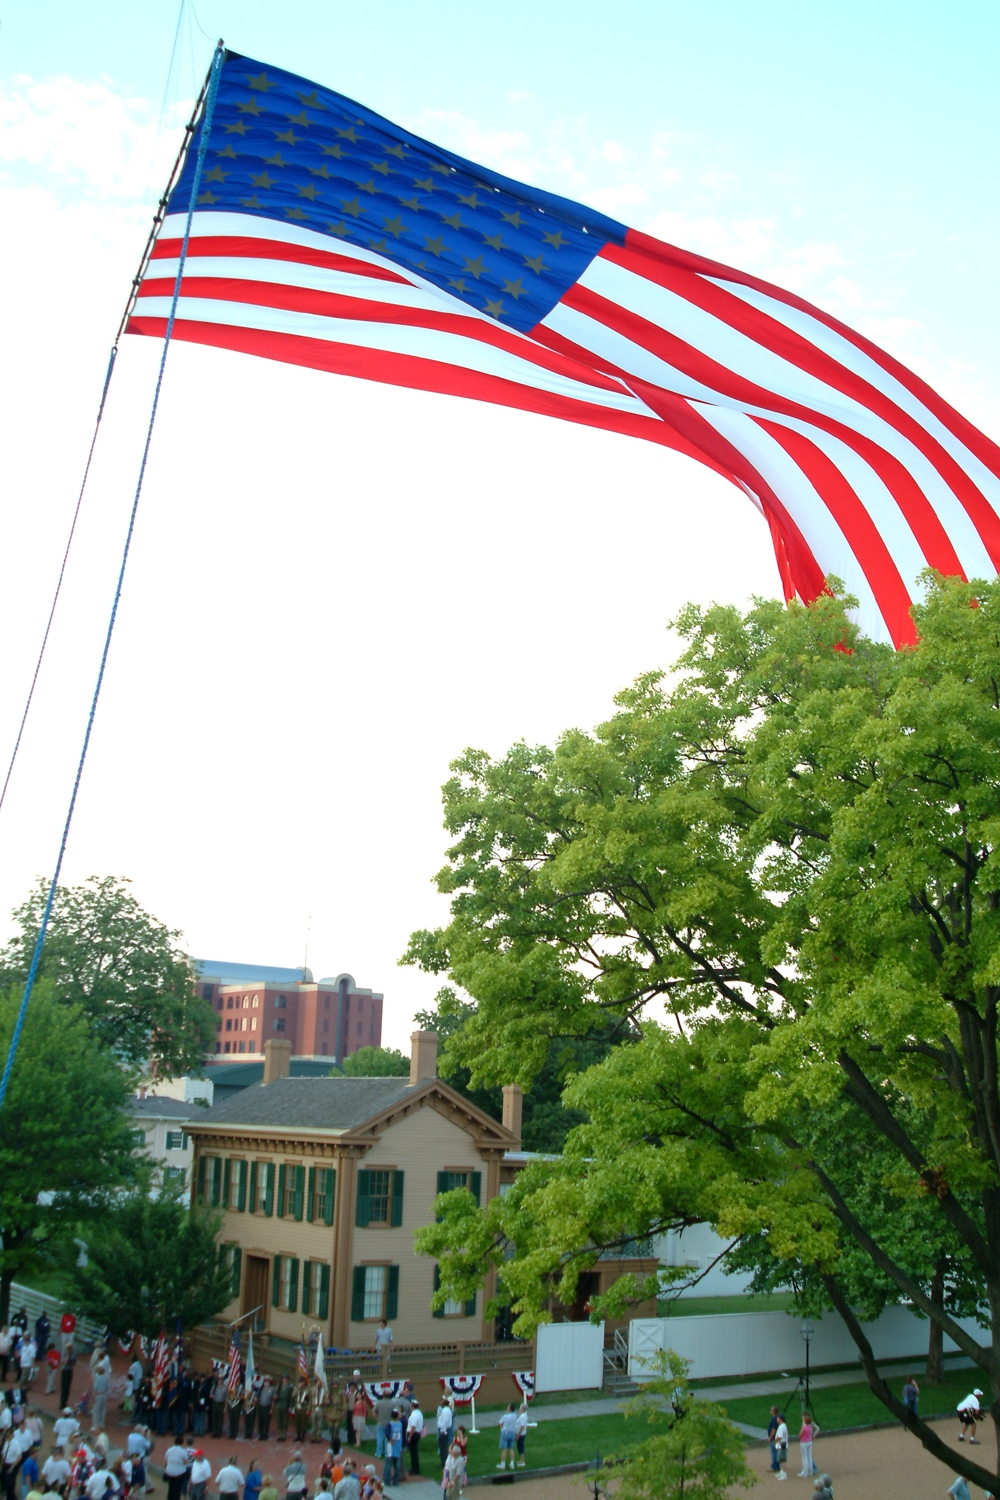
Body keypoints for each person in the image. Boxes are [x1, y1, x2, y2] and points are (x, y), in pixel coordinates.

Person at [383, 1414, 403, 1490]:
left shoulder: (389, 1424)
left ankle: (387, 1482)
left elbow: (387, 1434)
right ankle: (395, 1481)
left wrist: (390, 1439)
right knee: (397, 1466)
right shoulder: (400, 1424)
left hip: (390, 1448)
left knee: (388, 1465)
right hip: (398, 1447)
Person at [496, 1406, 518, 1473]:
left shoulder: (505, 1416)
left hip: (505, 1432)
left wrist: (502, 1428)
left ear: (509, 1408)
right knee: (511, 1448)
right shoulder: (515, 1416)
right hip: (512, 1432)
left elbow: (499, 1423)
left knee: (504, 1449)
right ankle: (512, 1464)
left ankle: (503, 1464)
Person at [405, 1401, 423, 1476]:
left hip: (413, 1434)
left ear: (412, 1406)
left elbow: (413, 1427)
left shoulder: (415, 1414)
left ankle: (415, 1469)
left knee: (413, 1452)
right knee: (413, 1452)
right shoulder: (418, 1413)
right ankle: (414, 1467)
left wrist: (409, 1437)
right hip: (415, 1433)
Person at [797, 1414, 818, 1478]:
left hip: (804, 1443)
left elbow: (800, 1435)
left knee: (804, 1458)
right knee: (809, 1456)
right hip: (809, 1442)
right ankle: (810, 1471)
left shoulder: (804, 1427)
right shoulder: (810, 1427)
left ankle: (804, 1472)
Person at [435, 1399, 453, 1471]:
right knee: (443, 1448)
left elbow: (445, 1421)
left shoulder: (445, 1411)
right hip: (443, 1430)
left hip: (443, 1431)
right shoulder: (446, 1410)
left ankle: (444, 1464)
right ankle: (443, 1463)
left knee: (443, 1449)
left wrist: (443, 1430)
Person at [274, 1380, 292, 1445]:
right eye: (283, 1379)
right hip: (279, 1404)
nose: (284, 1381)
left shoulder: (289, 1387)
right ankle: (280, 1434)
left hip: (285, 1404)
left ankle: (283, 1434)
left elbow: (291, 1398)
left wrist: (290, 1406)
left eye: (285, 1379)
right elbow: (275, 1393)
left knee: (285, 1420)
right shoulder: (279, 1386)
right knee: (279, 1420)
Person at [58, 1346, 76, 1413]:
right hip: (65, 1371)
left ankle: (65, 1401)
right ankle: (62, 1403)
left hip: (70, 1370)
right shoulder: (64, 1354)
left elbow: (73, 1363)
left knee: (68, 1386)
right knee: (64, 1386)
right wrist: (67, 1355)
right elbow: (64, 1363)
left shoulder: (73, 1354)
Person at [257, 1380, 274, 1445]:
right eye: (265, 1382)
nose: (266, 1383)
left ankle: (265, 1435)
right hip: (261, 1406)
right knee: (260, 1421)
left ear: (269, 1383)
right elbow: (257, 1396)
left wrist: (271, 1409)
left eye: (267, 1382)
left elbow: (273, 1400)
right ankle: (261, 1435)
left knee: (266, 1422)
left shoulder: (272, 1389)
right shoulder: (261, 1389)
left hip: (267, 1407)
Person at [211, 1374, 228, 1441]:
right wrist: (211, 1396)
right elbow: (210, 1395)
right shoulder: (214, 1387)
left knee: (220, 1419)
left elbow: (226, 1398)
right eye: (219, 1379)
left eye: (221, 1379)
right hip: (215, 1403)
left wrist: (225, 1407)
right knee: (214, 1418)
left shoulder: (225, 1387)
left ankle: (219, 1433)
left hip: (221, 1404)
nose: (220, 1381)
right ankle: (214, 1432)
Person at [774, 1414, 788, 1480]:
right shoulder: (783, 1426)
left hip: (781, 1445)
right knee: (780, 1459)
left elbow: (779, 1437)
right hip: (781, 1445)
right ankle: (782, 1472)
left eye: (778, 1418)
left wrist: (774, 1442)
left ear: (780, 1419)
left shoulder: (781, 1427)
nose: (777, 1419)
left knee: (782, 1460)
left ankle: (784, 1474)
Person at [766, 1407, 780, 1475]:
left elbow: (773, 1429)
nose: (770, 1411)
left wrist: (770, 1437)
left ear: (774, 1411)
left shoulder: (774, 1419)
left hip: (774, 1438)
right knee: (776, 1452)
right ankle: (777, 1465)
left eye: (771, 1410)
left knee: (774, 1452)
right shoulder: (777, 1418)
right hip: (777, 1437)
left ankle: (775, 1466)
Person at [514, 1404, 528, 1469]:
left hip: (521, 1434)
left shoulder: (522, 1417)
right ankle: (521, 1461)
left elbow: (522, 1426)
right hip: (522, 1433)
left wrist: (518, 1434)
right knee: (520, 1446)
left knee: (520, 1447)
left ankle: (522, 1462)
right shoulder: (524, 1416)